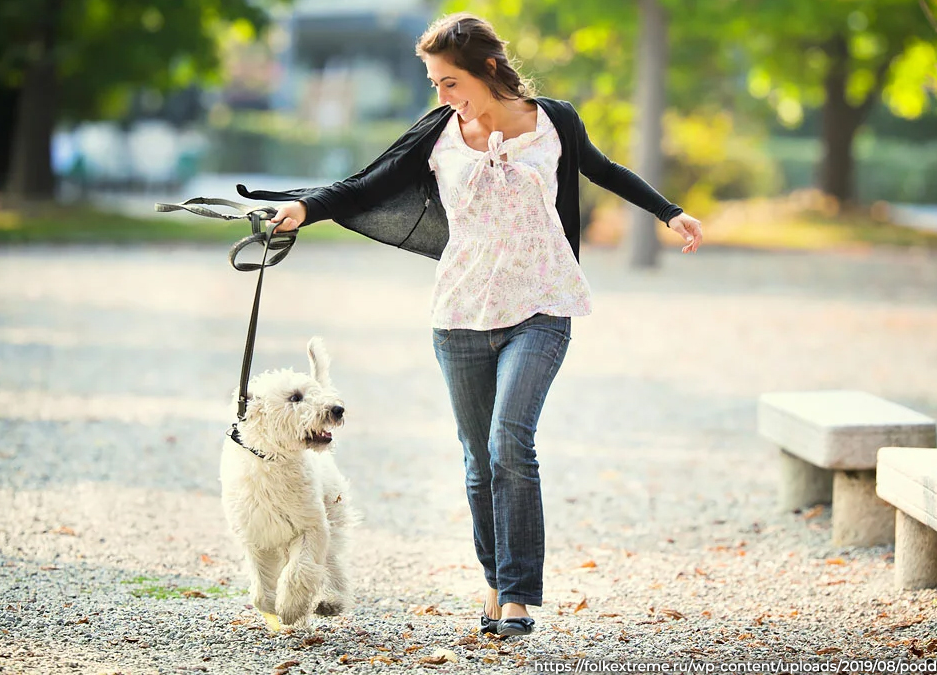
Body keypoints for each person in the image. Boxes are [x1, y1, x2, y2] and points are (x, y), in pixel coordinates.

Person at [249, 12, 703, 637]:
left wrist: (670, 213)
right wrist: (304, 208)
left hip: (542, 306)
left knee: (508, 442)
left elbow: (605, 171)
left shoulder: (554, 121)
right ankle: (493, 582)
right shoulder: (440, 133)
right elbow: (367, 185)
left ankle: (516, 598)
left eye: (449, 82)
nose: (440, 95)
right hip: (461, 314)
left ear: (487, 70)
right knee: (476, 458)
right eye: (434, 83)